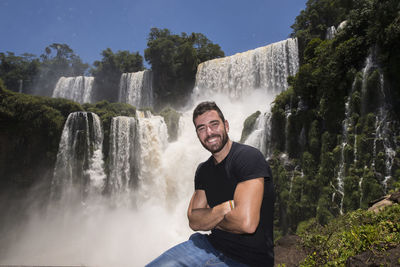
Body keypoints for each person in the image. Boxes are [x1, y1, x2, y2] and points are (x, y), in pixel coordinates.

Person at [146, 101, 274, 267]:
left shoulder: (248, 158)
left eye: (214, 125)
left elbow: (246, 224)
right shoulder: (203, 170)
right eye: (201, 128)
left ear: (226, 125)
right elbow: (194, 221)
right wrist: (223, 209)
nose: (209, 132)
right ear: (198, 134)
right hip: (208, 245)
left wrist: (210, 217)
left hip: (247, 260)